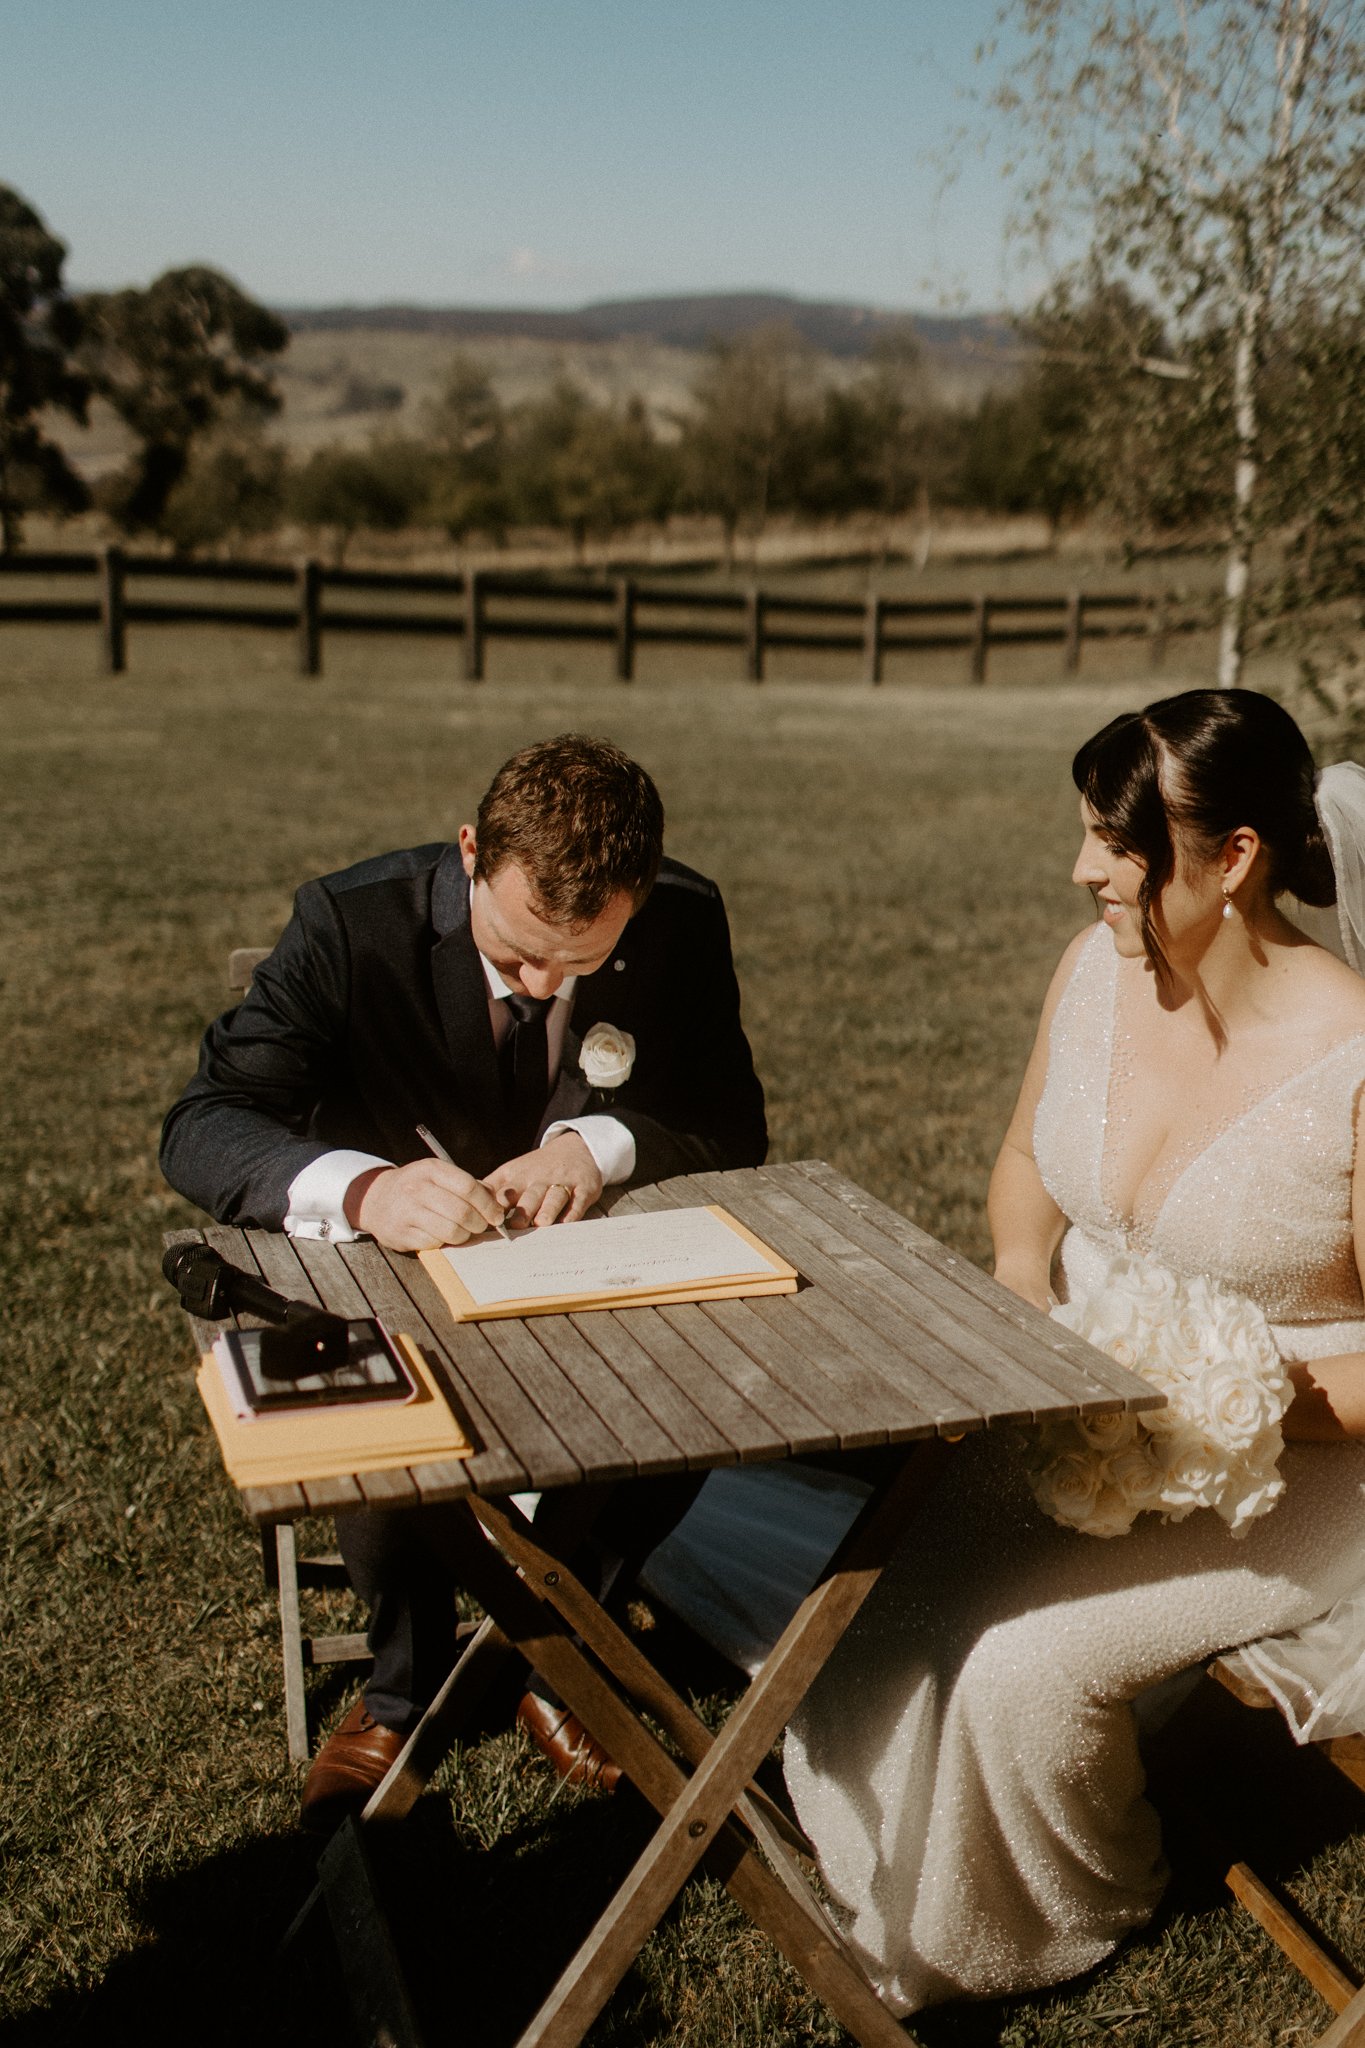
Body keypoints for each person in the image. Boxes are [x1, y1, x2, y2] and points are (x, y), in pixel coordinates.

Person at [764, 688, 1365, 2016]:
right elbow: (1030, 1164)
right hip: (1094, 1393)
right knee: (883, 1587)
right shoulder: (1092, 972)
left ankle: (1062, 1910)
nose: (1081, 868)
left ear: (1235, 857)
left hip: (1305, 1462)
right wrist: (1020, 1278)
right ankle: (874, 1855)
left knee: (1017, 1664)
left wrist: (1237, 1389)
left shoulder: (1353, 1062)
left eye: (1116, 841)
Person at [161, 732, 767, 1827]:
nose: (543, 984)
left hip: (591, 1264)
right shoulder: (351, 924)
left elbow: (732, 1122)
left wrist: (602, 1145)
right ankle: (401, 1681)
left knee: (699, 1378)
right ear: (470, 854)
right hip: (393, 1280)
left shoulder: (684, 916)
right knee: (374, 1393)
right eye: (520, 952)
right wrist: (363, 1189)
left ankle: (561, 1656)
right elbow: (202, 1125)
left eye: (580, 964)